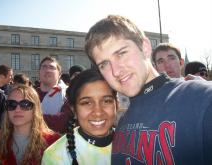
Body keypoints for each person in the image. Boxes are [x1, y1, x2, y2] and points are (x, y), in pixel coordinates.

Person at [85, 15, 212, 164]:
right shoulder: (122, 122)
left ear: (145, 47)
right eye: (104, 64)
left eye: (121, 53)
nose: (115, 71)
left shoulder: (201, 98)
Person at [42, 69, 117, 165]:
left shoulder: (133, 142)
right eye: (86, 103)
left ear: (116, 103)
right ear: (74, 110)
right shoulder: (55, 156)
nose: (98, 112)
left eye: (106, 101)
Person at [0, 85, 60, 165]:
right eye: (11, 104)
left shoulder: (53, 142)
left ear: (36, 109)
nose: (17, 109)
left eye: (25, 104)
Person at [36, 56, 72, 134]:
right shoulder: (29, 94)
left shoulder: (68, 93)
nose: (47, 70)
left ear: (59, 75)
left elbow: (61, 123)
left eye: (52, 67)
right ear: (39, 72)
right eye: (44, 67)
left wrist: (30, 119)